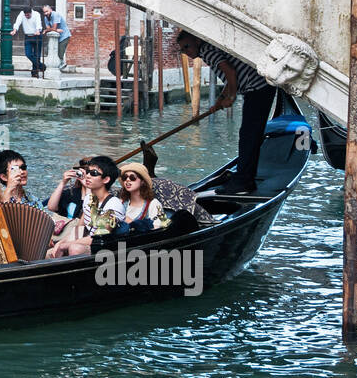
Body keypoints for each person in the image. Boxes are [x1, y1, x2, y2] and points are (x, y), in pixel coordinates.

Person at [175, 31, 276, 195]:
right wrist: (220, 100)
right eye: (183, 50)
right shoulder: (207, 50)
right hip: (259, 87)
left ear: (198, 40)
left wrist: (232, 96)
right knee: (249, 134)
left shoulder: (206, 50)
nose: (186, 51)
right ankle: (244, 176)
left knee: (249, 135)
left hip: (257, 88)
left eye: (187, 46)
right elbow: (230, 76)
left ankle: (244, 181)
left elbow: (231, 73)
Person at [48, 156, 124, 258]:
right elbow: (79, 228)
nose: (88, 176)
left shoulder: (114, 205)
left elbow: (99, 236)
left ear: (106, 179)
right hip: (87, 241)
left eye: (94, 173)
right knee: (47, 253)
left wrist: (65, 245)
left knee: (75, 248)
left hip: (105, 248)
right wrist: (61, 242)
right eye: (88, 171)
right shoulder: (89, 198)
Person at [117, 162, 166, 232]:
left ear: (142, 181)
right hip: (121, 241)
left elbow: (158, 230)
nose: (127, 180)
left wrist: (131, 223)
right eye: (125, 177)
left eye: (132, 177)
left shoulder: (154, 204)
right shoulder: (120, 203)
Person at [13, 5, 45, 78]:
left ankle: (35, 72)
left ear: (31, 12)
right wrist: (15, 30)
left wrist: (37, 30)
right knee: (28, 54)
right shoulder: (22, 14)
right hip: (28, 36)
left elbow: (38, 23)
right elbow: (18, 22)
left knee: (37, 55)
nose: (26, 16)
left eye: (28, 15)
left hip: (36, 36)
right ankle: (41, 66)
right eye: (25, 15)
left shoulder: (36, 14)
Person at [41, 4, 72, 70]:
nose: (46, 13)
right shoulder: (46, 18)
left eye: (47, 11)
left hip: (64, 36)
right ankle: (59, 65)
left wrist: (47, 30)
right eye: (44, 12)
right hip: (55, 37)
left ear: (51, 10)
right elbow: (50, 28)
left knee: (60, 53)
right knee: (49, 50)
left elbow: (52, 27)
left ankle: (61, 65)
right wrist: (55, 30)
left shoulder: (55, 15)